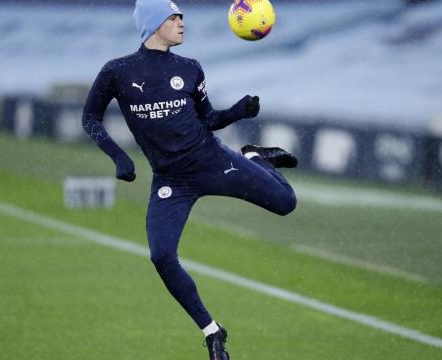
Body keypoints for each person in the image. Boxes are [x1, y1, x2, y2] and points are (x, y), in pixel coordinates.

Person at [82, 1, 297, 358]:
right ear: (153, 25)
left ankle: (254, 156)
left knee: (287, 203)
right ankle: (213, 332)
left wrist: (237, 112)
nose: (182, 22)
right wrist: (118, 157)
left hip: (213, 161)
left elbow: (208, 119)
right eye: (174, 17)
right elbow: (90, 118)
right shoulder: (116, 71)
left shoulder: (190, 68)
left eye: (181, 16)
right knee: (161, 255)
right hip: (172, 180)